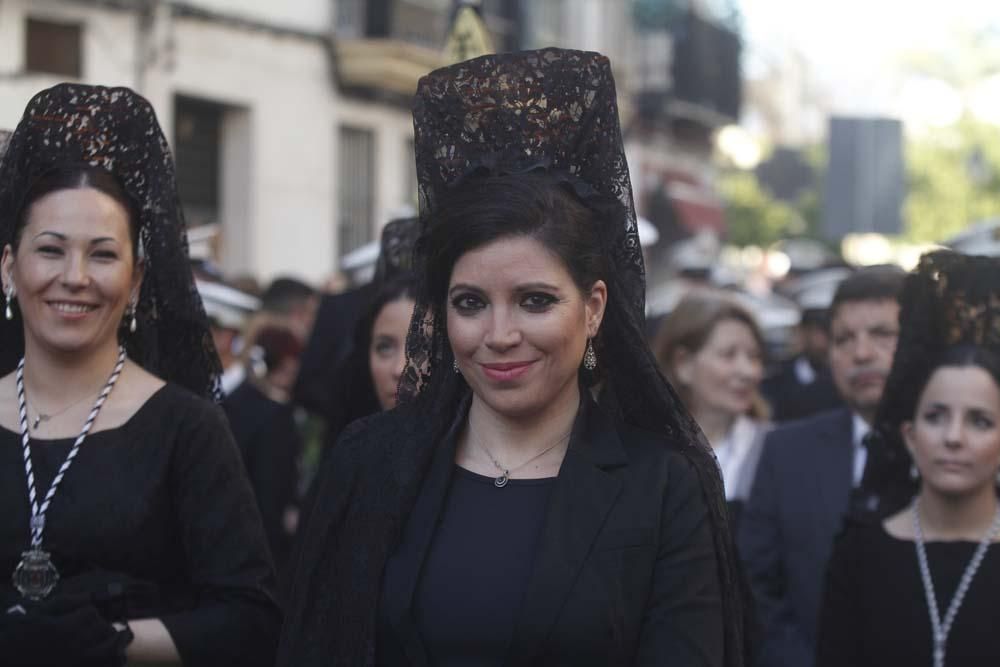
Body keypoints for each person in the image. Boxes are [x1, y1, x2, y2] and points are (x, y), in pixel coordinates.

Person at [279, 48, 750, 666]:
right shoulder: (372, 461)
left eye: (534, 301)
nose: (499, 334)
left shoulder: (661, 486)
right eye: (470, 303)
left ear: (594, 308)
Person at [0, 83, 280, 666]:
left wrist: (114, 643)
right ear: (9, 267)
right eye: (51, 250)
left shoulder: (187, 429)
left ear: (135, 280)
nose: (75, 276)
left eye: (102, 255)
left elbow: (250, 618)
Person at [817, 251, 1000, 667]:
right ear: (910, 436)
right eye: (936, 417)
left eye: (980, 421)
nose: (953, 438)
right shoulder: (860, 552)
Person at [738, 265, 905, 667]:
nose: (861, 353)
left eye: (882, 334)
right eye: (844, 339)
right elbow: (756, 588)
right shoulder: (787, 451)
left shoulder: (958, 451)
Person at [654, 289, 770, 529]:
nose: (747, 371)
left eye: (754, 356)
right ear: (683, 363)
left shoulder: (776, 447)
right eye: (729, 355)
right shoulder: (647, 449)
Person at [223, 322, 304, 572]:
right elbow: (271, 490)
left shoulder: (233, 399)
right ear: (287, 365)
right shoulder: (277, 417)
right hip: (256, 541)